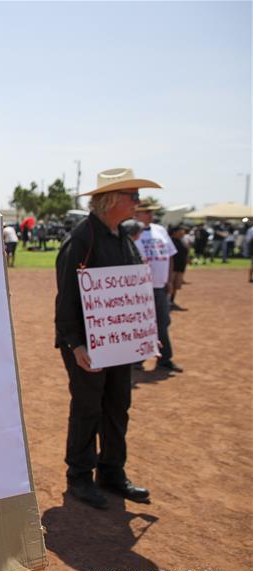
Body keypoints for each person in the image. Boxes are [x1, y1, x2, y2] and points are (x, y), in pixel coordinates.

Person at [55, 167, 155, 509]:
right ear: (112, 200)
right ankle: (79, 476)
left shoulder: (122, 237)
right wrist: (75, 344)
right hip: (86, 344)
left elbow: (134, 288)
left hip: (118, 342)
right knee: (87, 408)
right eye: (134, 196)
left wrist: (143, 333)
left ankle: (112, 471)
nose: (138, 202)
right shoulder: (84, 238)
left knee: (117, 406)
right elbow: (67, 295)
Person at [134, 201, 181, 372]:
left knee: (162, 321)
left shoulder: (160, 230)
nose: (150, 215)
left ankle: (164, 358)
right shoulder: (129, 232)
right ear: (136, 214)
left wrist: (169, 279)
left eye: (151, 212)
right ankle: (136, 358)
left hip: (159, 285)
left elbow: (170, 256)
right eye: (146, 211)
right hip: (139, 288)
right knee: (139, 324)